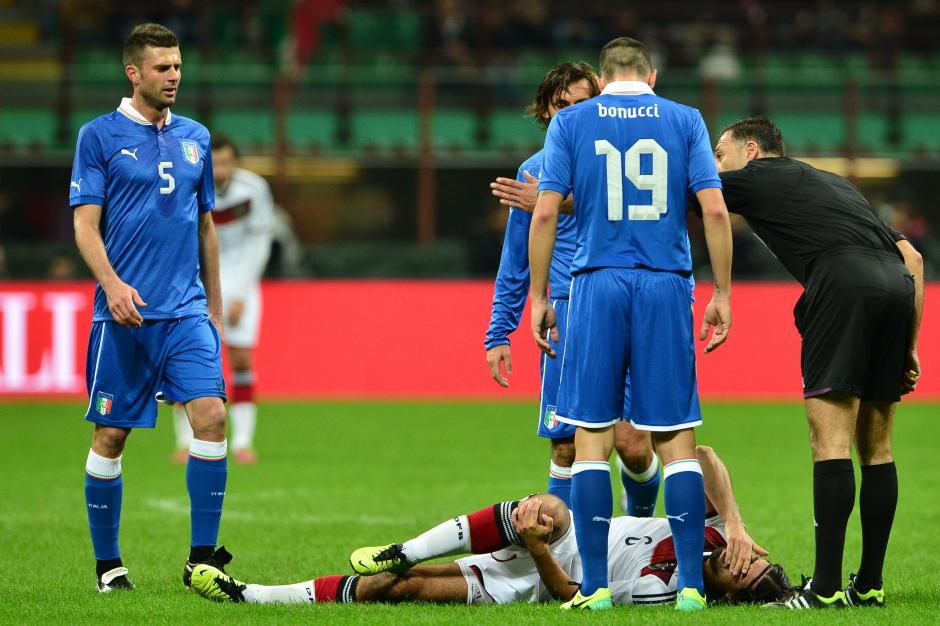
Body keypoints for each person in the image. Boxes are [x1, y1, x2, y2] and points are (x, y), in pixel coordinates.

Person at [528, 37, 734, 611]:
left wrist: (540, 297)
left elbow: (545, 212)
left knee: (591, 439)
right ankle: (690, 587)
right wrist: (721, 292)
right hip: (665, 285)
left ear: (601, 79)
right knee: (676, 439)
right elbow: (714, 209)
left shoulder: (571, 122)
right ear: (653, 76)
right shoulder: (685, 119)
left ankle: (594, 588)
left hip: (595, 285)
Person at [710, 116, 923, 609]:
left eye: (721, 155)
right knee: (878, 447)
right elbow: (912, 258)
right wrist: (909, 346)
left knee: (828, 441)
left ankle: (824, 590)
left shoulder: (756, 176)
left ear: (750, 151)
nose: (716, 167)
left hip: (842, 284)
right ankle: (868, 586)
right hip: (895, 289)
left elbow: (685, 194)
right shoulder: (834, 184)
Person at [189, 446, 787, 607]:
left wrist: (537, 552)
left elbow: (576, 594)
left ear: (731, 595)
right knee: (548, 508)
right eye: (754, 559)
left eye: (744, 575)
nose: (741, 562)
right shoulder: (713, 534)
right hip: (573, 534)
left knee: (404, 590)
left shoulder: (665, 592)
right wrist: (736, 522)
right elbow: (702, 455)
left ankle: (248, 594)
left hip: (547, 577)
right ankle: (403, 547)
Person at [70, 23, 234, 593]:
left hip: (186, 313)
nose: (174, 76)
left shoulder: (196, 136)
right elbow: (85, 226)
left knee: (211, 417)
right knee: (111, 437)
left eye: (178, 66)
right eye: (163, 67)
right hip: (124, 316)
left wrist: (214, 311)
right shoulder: (98, 136)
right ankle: (108, 566)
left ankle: (202, 560)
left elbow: (206, 226)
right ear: (133, 72)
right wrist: (113, 285)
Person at [485, 62, 661, 516]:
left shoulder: (618, 162)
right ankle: (566, 549)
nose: (570, 113)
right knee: (564, 445)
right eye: (560, 104)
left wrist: (554, 202)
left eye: (581, 103)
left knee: (633, 445)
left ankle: (637, 530)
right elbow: (516, 261)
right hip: (565, 314)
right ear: (545, 110)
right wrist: (498, 333)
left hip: (621, 308)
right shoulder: (534, 171)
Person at [173, 134, 274, 465]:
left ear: (235, 162)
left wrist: (243, 291)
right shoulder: (187, 186)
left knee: (241, 360)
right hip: (198, 283)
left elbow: (261, 242)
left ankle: (243, 442)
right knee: (191, 360)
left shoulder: (254, 189)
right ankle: (185, 442)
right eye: (215, 163)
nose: (220, 169)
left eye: (227, 162)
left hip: (242, 281)